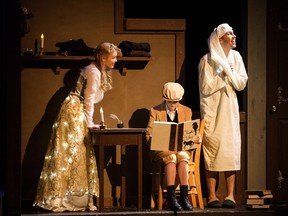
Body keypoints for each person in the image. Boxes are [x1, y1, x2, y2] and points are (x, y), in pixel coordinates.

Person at [33, 42, 121, 212]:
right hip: (74, 113)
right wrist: (89, 123)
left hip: (72, 110)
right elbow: (88, 100)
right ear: (103, 57)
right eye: (114, 57)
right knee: (74, 153)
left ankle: (71, 198)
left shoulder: (91, 69)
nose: (116, 61)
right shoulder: (94, 72)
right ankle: (66, 199)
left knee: (72, 154)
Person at [198, 23, 248, 208]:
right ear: (220, 39)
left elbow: (241, 82)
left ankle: (230, 195)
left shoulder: (236, 57)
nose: (234, 36)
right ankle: (211, 195)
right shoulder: (207, 60)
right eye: (229, 33)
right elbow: (205, 87)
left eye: (234, 33)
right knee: (212, 150)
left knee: (230, 150)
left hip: (229, 109)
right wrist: (224, 76)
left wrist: (229, 74)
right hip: (213, 110)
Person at [146, 82, 201, 211]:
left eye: (175, 102)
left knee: (181, 156)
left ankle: (183, 196)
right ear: (165, 99)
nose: (173, 105)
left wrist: (195, 137)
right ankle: (171, 198)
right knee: (171, 157)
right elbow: (148, 135)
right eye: (170, 102)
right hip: (162, 150)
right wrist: (156, 138)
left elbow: (191, 131)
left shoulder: (186, 111)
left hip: (180, 149)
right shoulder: (155, 111)